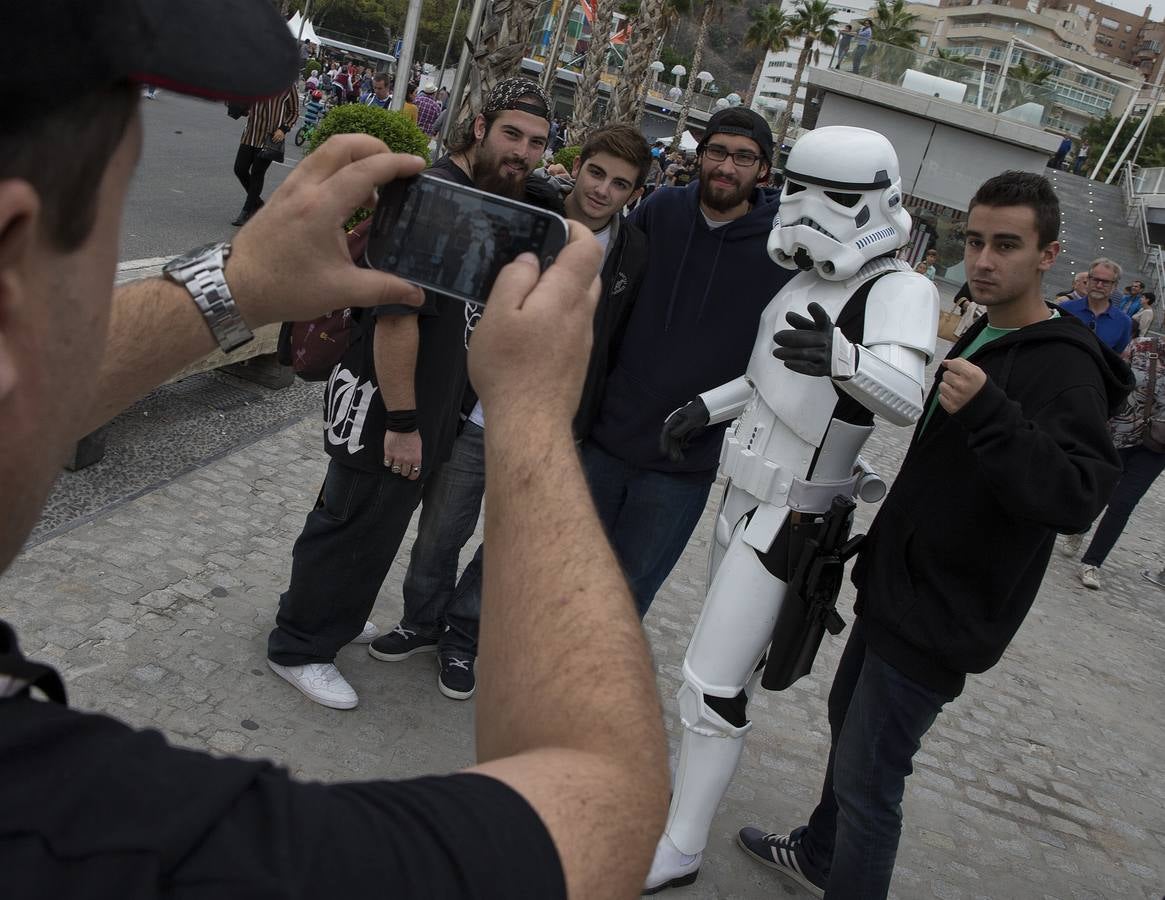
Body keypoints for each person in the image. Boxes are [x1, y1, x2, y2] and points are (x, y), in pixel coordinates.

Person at [1, 4, 669, 897]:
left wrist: (236, 284)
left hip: (428, 416)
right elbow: (604, 808)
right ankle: (303, 639)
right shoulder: (93, 830)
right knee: (350, 526)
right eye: (111, 215)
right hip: (404, 415)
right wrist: (533, 414)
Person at [734, 171, 1130, 900]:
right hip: (897, 587)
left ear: (1049, 255)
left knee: (870, 784)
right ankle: (821, 855)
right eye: (975, 241)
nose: (983, 260)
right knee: (845, 725)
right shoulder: (986, 328)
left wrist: (991, 415)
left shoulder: (1062, 365)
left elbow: (1077, 496)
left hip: (945, 612)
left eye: (1006, 245)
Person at [643, 126, 940, 894]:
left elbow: (904, 399)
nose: (809, 212)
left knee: (710, 682)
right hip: (739, 494)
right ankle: (686, 799)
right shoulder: (807, 283)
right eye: (798, 191)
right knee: (714, 676)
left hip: (793, 515)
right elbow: (767, 377)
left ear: (880, 200)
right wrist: (703, 408)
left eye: (834, 198)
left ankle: (679, 844)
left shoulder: (898, 289)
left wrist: (843, 359)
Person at [267, 78, 554, 710]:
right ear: (479, 127)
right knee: (348, 520)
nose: (523, 153)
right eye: (511, 134)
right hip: (386, 401)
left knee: (373, 524)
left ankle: (329, 620)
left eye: (536, 143)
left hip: (421, 405)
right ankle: (299, 646)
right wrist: (403, 419)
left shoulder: (483, 199)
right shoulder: (439, 196)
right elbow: (397, 317)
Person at [367, 124, 652, 700]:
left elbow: (614, 342)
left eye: (620, 184)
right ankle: (421, 622)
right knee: (439, 532)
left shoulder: (633, 251)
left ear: (635, 194)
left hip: (550, 428)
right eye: (596, 172)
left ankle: (462, 640)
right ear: (577, 166)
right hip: (478, 413)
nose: (602, 191)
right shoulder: (526, 210)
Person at [579, 108, 795, 617]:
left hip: (682, 463)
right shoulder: (660, 210)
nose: (727, 166)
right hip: (607, 438)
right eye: (717, 151)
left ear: (764, 170)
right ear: (701, 156)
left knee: (628, 592)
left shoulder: (783, 247)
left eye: (744, 157)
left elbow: (775, 368)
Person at [1075, 334, 1165, 589]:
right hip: (1119, 433)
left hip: (1157, 446)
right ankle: (1079, 527)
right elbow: (1115, 383)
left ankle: (1092, 562)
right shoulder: (1142, 346)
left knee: (1123, 503)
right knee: (1100, 489)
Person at [231, 83, 298, 227]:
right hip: (250, 134)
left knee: (257, 173)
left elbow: (294, 112)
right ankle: (258, 203)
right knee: (239, 169)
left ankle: (246, 211)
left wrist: (283, 129)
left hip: (270, 138)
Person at [1059, 258, 1133, 353]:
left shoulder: (1124, 322)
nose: (1099, 285)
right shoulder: (1065, 308)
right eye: (1095, 280)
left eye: (1105, 282)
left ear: (1114, 286)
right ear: (1088, 280)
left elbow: (1116, 356)